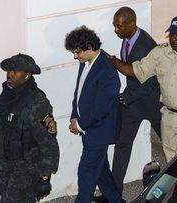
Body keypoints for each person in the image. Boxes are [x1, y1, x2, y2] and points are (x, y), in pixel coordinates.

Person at [104, 16, 177, 162]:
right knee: (172, 161)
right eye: (171, 34)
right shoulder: (160, 53)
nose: (173, 39)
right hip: (167, 116)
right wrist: (114, 61)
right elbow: (137, 71)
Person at [93, 7, 161, 202]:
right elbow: (129, 70)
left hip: (152, 103)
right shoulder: (127, 39)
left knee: (171, 147)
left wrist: (127, 97)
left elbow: (152, 83)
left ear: (132, 24)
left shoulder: (146, 45)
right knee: (122, 146)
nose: (115, 30)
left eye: (119, 26)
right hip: (133, 104)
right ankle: (113, 194)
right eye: (114, 25)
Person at [0, 53, 59, 203]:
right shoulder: (6, 96)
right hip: (5, 163)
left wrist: (45, 177)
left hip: (27, 167)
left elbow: (48, 143)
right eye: (9, 70)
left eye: (16, 71)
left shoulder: (37, 102)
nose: (10, 74)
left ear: (27, 75)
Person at [65, 25, 125, 203]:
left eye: (77, 52)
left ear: (89, 48)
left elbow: (102, 109)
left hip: (100, 131)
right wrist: (75, 116)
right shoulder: (86, 63)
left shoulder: (107, 71)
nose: (76, 56)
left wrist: (81, 124)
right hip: (89, 128)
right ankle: (116, 200)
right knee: (101, 170)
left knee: (87, 172)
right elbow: (79, 92)